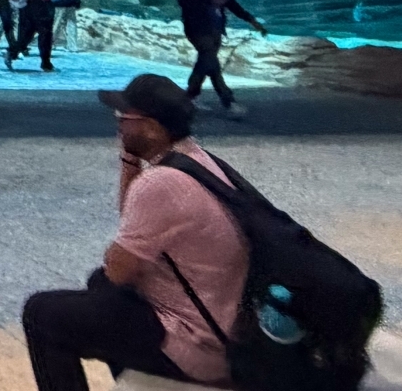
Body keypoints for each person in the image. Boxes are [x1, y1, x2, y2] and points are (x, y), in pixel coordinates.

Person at [21, 73, 250, 390]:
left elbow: (119, 270)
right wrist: (130, 156)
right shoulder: (196, 160)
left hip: (196, 344)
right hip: (221, 327)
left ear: (152, 128)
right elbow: (132, 216)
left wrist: (116, 256)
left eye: (123, 117)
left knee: (42, 314)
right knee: (99, 284)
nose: (117, 123)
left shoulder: (160, 183)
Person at [174, 0, 266, 117]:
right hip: (198, 27)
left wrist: (249, 19)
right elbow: (185, 2)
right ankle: (228, 101)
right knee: (211, 62)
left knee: (206, 61)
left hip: (215, 27)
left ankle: (189, 96)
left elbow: (228, 0)